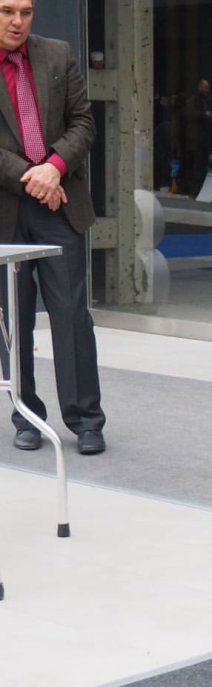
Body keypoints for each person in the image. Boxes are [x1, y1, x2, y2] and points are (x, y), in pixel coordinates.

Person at [0, 0, 106, 454]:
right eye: (6, 11)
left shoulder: (59, 54)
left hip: (59, 205)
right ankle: (25, 413)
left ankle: (86, 419)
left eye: (25, 12)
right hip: (8, 209)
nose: (17, 22)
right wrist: (34, 176)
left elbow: (84, 122)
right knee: (13, 317)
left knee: (71, 315)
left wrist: (56, 166)